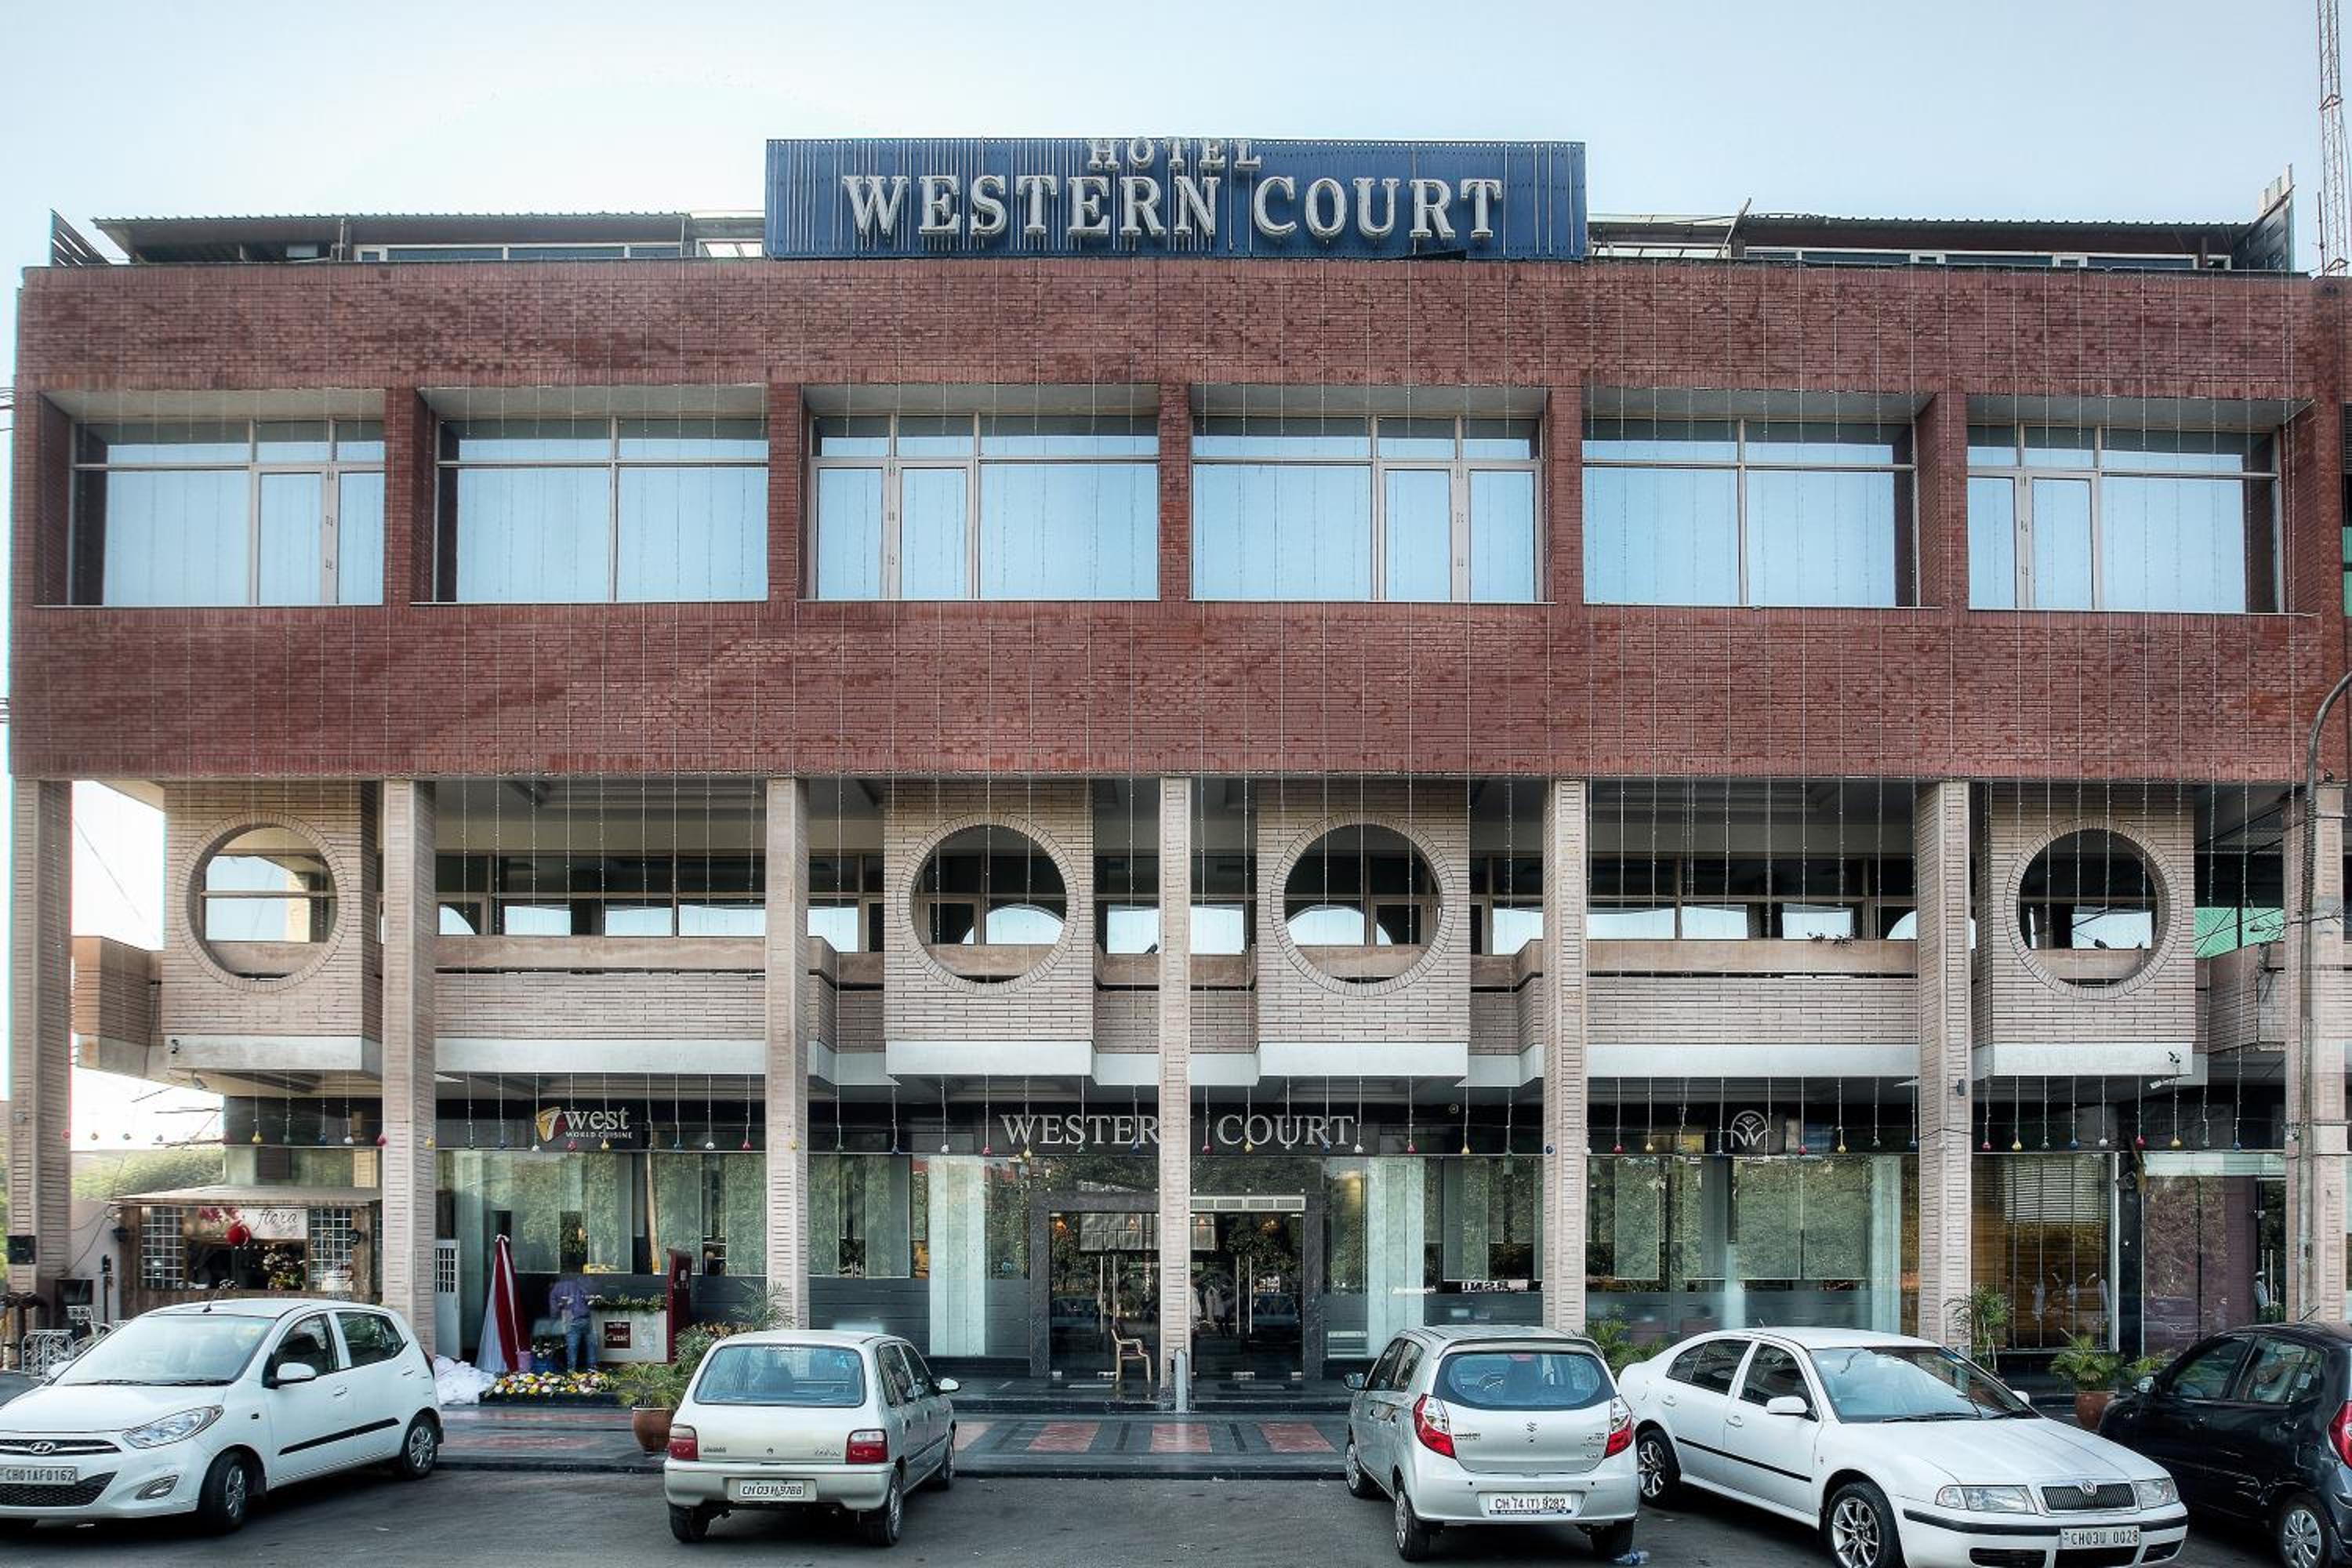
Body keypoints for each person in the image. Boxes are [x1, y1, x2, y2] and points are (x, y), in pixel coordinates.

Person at [548, 1275, 593, 1372]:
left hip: (571, 1317)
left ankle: (571, 1370)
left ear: (551, 1283)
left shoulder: (555, 1291)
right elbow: (587, 1297)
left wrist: (552, 1323)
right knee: (590, 1344)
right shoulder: (575, 1284)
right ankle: (592, 1368)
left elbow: (554, 1310)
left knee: (572, 1346)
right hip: (585, 1317)